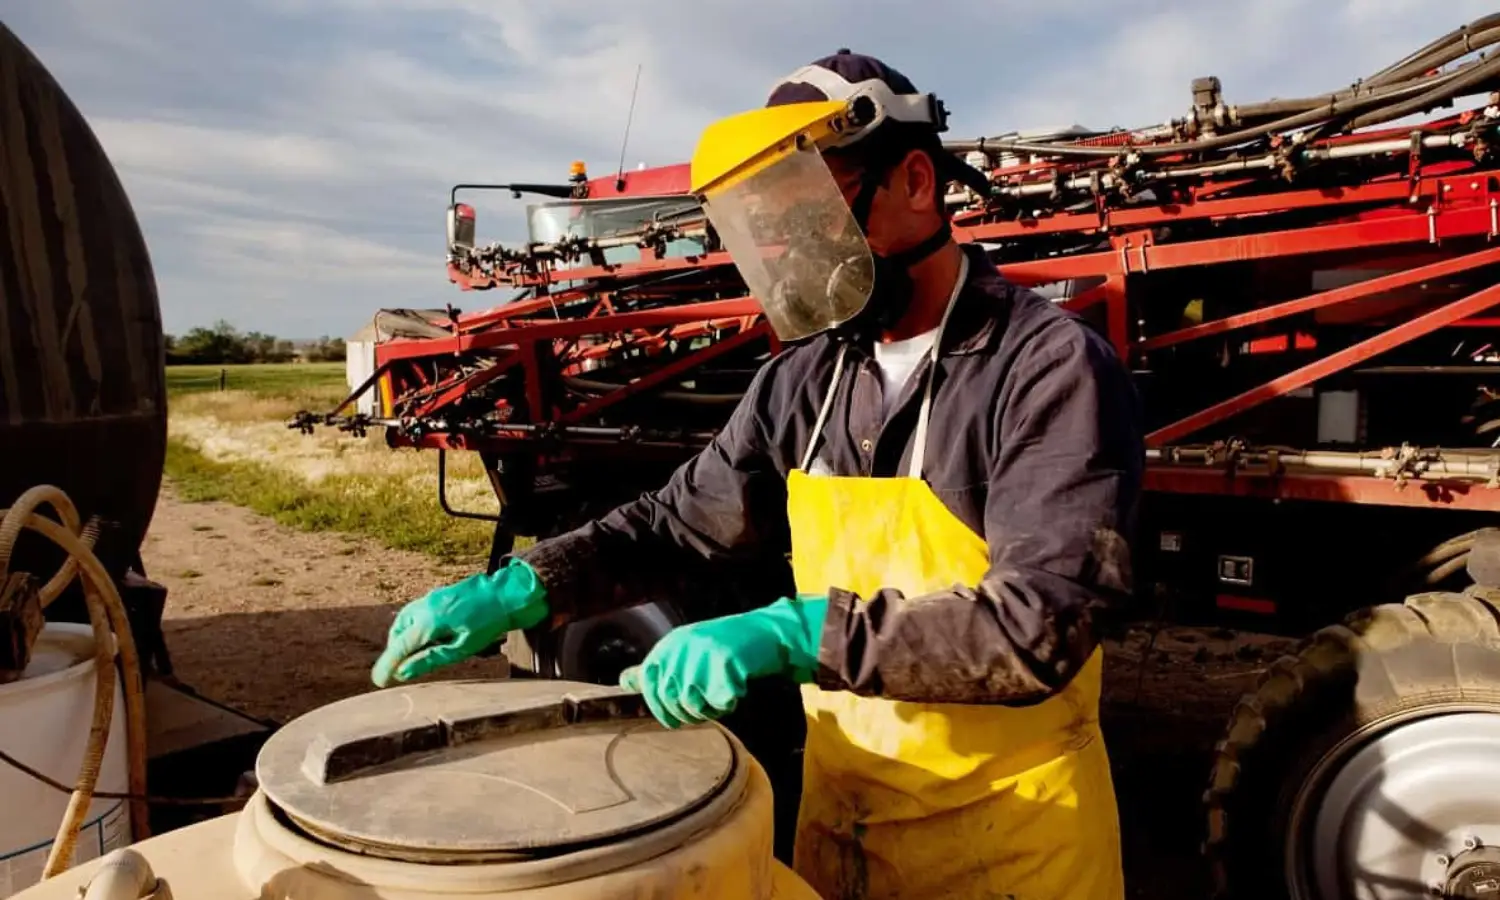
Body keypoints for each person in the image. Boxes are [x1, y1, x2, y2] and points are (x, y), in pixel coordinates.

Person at [372, 49, 1144, 900]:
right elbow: (676, 524)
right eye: (771, 224)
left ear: (916, 181)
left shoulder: (1045, 367)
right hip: (845, 824)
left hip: (1012, 848)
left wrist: (789, 634)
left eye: (815, 212)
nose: (793, 248)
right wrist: (525, 585)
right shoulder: (805, 380)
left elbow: (1037, 625)